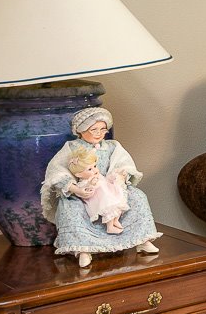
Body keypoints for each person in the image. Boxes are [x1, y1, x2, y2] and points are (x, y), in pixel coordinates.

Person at [41, 106, 162, 267]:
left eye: (103, 129)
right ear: (81, 130)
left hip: (107, 185)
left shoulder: (112, 146)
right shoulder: (72, 147)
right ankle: (83, 248)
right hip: (84, 188)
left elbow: (123, 163)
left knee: (137, 196)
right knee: (70, 206)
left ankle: (142, 239)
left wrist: (121, 176)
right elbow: (57, 170)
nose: (98, 133)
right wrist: (75, 189)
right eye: (93, 129)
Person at [65, 147, 130, 234]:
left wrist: (114, 176)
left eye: (95, 166)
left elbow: (106, 180)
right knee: (109, 205)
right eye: (90, 169)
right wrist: (91, 183)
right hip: (99, 200)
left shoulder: (98, 176)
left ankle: (115, 220)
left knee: (118, 200)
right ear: (79, 174)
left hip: (108, 193)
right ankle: (110, 227)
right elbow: (85, 192)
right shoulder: (83, 183)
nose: (95, 170)